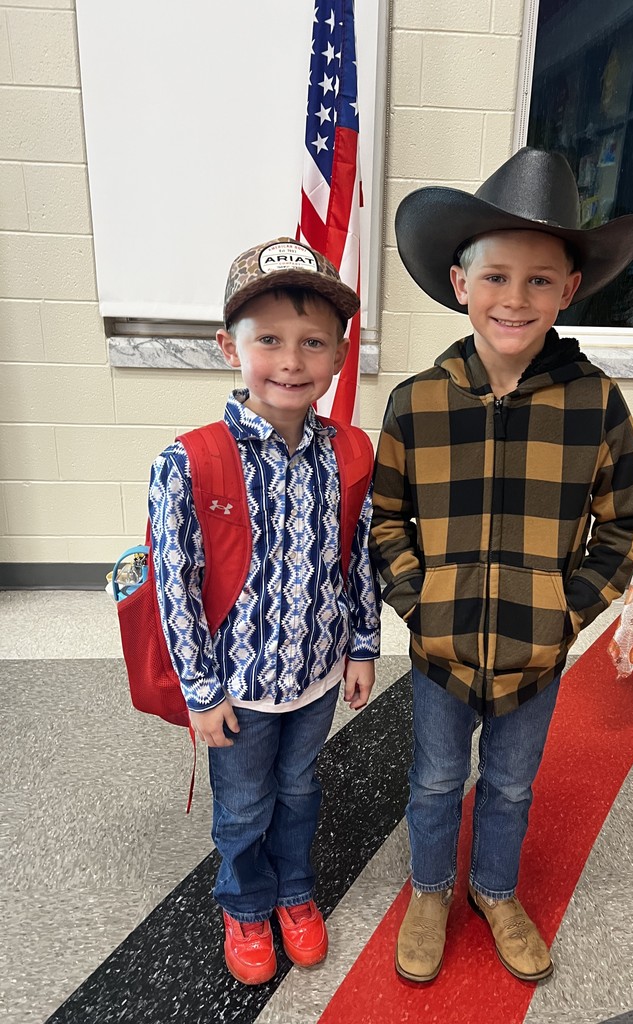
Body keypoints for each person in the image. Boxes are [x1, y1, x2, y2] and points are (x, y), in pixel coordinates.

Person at [370, 148, 633, 984]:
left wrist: (566, 613)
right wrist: (421, 605)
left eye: (540, 281)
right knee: (433, 780)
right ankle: (431, 889)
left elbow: (628, 522)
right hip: (439, 651)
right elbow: (386, 518)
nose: (515, 299)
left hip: (537, 654)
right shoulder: (417, 402)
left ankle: (495, 890)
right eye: (496, 277)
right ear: (461, 283)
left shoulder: (595, 403)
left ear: (570, 290)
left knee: (509, 786)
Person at [149, 237, 380, 985]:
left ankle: (294, 891)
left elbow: (359, 557)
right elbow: (175, 589)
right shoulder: (187, 462)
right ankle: (244, 904)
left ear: (339, 357)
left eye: (313, 342)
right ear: (229, 347)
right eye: (269, 340)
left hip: (314, 676)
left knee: (301, 789)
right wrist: (201, 693)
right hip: (237, 690)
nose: (291, 360)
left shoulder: (350, 452)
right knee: (245, 804)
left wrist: (363, 646)